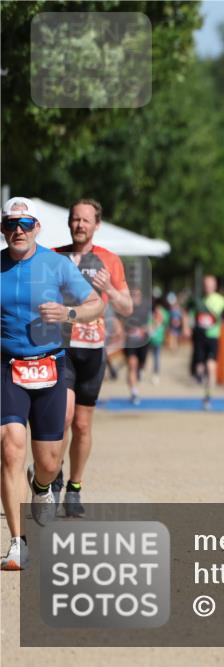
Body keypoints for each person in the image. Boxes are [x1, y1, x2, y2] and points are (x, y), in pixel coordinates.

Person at [1, 197, 104, 570]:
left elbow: (96, 303)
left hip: (49, 367)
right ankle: (17, 542)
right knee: (11, 447)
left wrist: (69, 313)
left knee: (47, 461)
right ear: (3, 229)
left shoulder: (56, 265)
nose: (19, 230)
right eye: (12, 223)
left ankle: (42, 485)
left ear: (37, 229)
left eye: (26, 224)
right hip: (7, 366)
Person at [55, 198, 133, 518]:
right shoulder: (53, 258)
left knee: (83, 426)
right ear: (69, 222)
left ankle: (74, 487)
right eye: (75, 219)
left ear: (96, 225)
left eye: (86, 220)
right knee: (63, 417)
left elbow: (127, 307)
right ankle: (51, 474)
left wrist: (111, 291)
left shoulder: (110, 261)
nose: (80, 225)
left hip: (92, 351)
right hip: (60, 350)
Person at [192, 275, 224, 410]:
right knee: (200, 368)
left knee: (211, 367)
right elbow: (194, 316)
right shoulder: (200, 300)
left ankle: (208, 397)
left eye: (210, 284)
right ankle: (201, 377)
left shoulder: (221, 300)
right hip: (200, 338)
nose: (208, 287)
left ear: (215, 285)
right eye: (205, 284)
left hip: (213, 337)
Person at [122, 287, 151, 405]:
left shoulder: (146, 305)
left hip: (143, 341)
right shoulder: (125, 307)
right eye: (132, 294)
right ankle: (134, 392)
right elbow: (119, 321)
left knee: (141, 365)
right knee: (132, 364)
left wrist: (147, 328)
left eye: (136, 294)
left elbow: (158, 317)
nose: (134, 296)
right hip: (130, 342)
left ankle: (139, 370)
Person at [147, 296, 169, 384]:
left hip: (155, 338)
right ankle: (154, 374)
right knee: (155, 356)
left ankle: (154, 374)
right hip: (155, 337)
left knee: (154, 356)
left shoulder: (154, 312)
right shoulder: (162, 312)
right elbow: (166, 323)